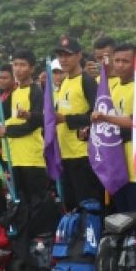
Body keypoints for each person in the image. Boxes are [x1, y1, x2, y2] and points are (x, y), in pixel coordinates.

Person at [52, 36, 103, 209]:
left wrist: (66, 119)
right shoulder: (64, 82)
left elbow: (97, 114)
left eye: (67, 55)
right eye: (60, 55)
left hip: (83, 154)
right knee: (71, 204)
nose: (63, 59)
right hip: (65, 153)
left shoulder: (86, 81)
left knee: (88, 203)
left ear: (79, 55)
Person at [91, 43, 136, 212]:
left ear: (135, 61)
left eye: (125, 61)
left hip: (134, 160)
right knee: (121, 210)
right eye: (116, 60)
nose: (119, 65)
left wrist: (108, 120)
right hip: (115, 159)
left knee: (135, 209)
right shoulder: (111, 88)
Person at [0, 50, 47, 204]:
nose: (18, 69)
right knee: (19, 202)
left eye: (22, 65)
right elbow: (2, 117)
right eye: (15, 65)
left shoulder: (36, 91)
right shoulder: (14, 92)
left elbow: (34, 123)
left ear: (32, 69)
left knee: (35, 202)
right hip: (15, 157)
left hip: (31, 158)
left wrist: (8, 131)